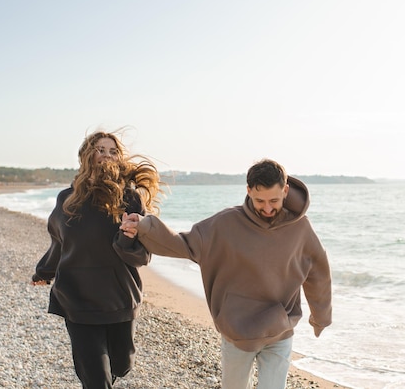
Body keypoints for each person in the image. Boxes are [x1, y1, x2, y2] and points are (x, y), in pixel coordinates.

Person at [117, 158, 332, 389]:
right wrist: (145, 225)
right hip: (238, 331)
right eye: (260, 200)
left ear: (286, 190)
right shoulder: (225, 224)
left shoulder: (301, 228)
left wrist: (321, 318)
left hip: (280, 330)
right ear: (248, 191)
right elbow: (182, 244)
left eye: (274, 200)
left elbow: (318, 273)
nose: (267, 208)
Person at [31, 130, 162, 389]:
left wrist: (127, 236)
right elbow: (59, 242)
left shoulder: (130, 198)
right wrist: (44, 272)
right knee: (95, 379)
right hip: (76, 298)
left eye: (113, 151)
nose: (107, 155)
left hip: (119, 297)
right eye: (100, 149)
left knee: (122, 366)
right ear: (86, 155)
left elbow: (141, 256)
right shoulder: (66, 199)